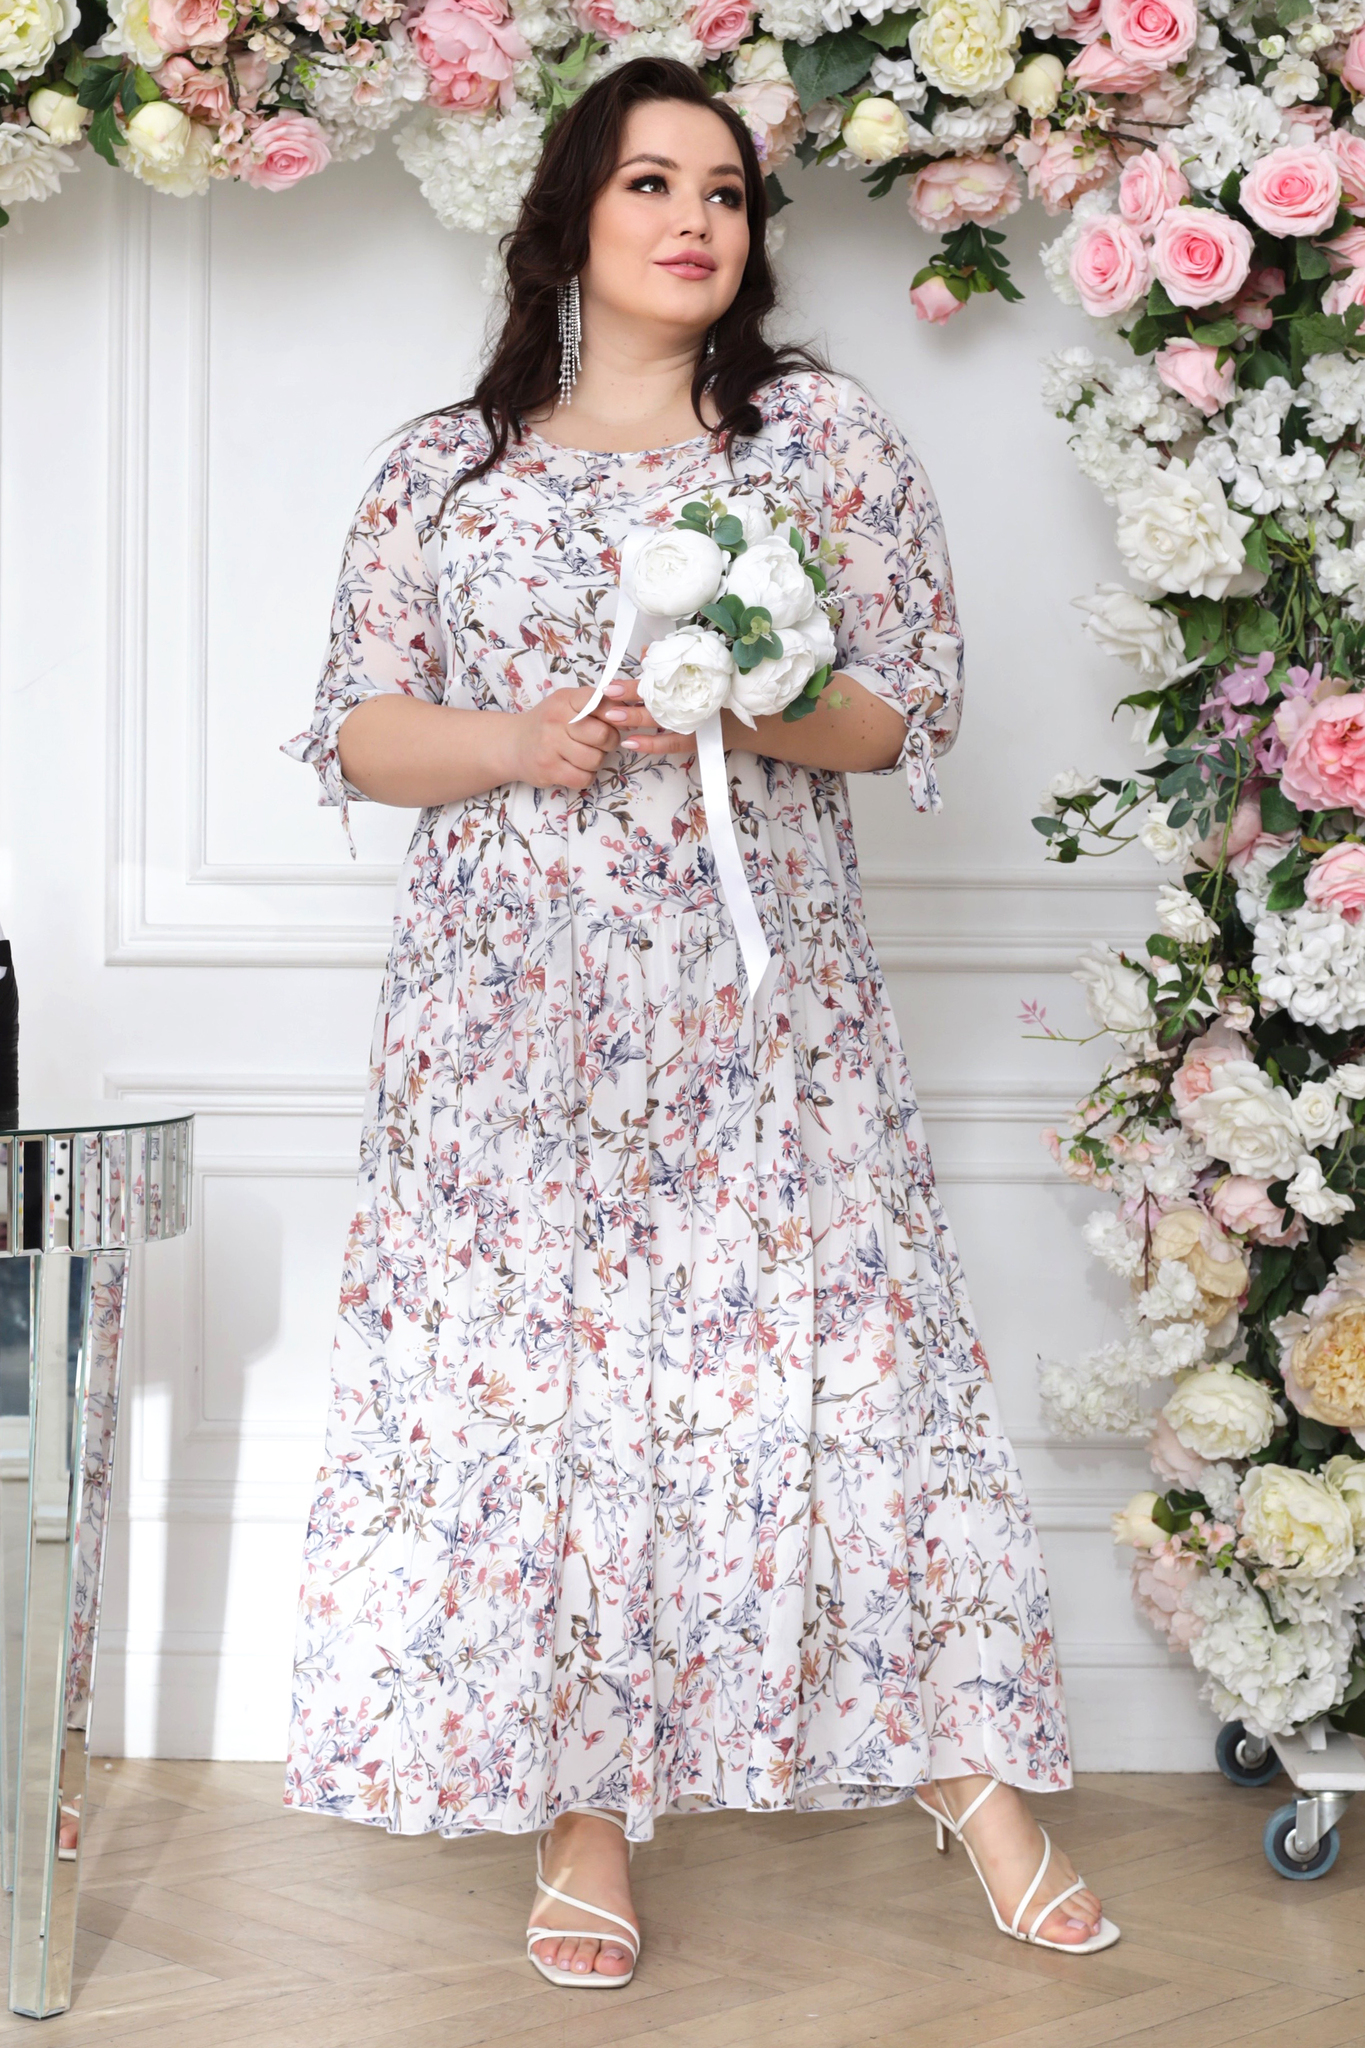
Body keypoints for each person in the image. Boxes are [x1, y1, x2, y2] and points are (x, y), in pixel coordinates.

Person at [282, 56, 1119, 1988]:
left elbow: (900, 712)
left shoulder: (815, 440)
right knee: (552, 1400)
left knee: (854, 1367)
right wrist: (523, 740)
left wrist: (741, 692)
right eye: (651, 182)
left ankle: (967, 1773)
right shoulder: (442, 468)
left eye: (725, 192)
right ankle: (583, 1815)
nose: (693, 220)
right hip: (509, 1021)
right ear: (570, 215)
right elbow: (359, 727)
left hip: (762, 1004)